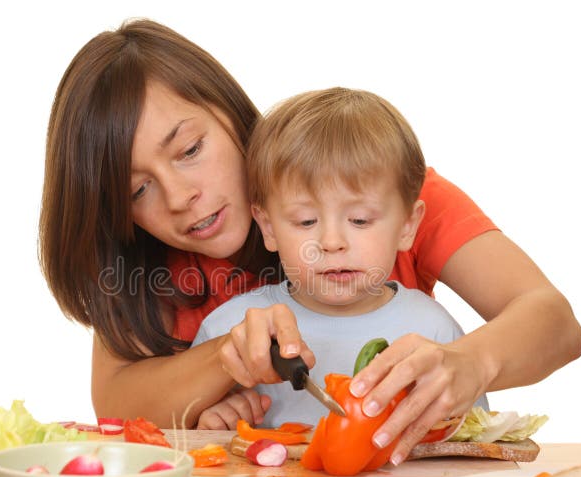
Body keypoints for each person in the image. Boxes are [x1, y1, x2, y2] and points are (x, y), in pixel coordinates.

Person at [38, 19, 581, 463]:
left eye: (190, 150)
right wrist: (225, 365)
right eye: (137, 189)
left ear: (229, 111)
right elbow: (118, 405)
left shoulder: (377, 187)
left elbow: (554, 322)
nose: (181, 197)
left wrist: (472, 362)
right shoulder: (145, 261)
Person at [192, 87, 490, 431]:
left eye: (360, 220)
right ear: (269, 228)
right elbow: (189, 444)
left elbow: (471, 441)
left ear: (407, 225)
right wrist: (211, 423)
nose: (332, 243)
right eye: (306, 221)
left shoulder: (435, 331)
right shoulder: (229, 331)